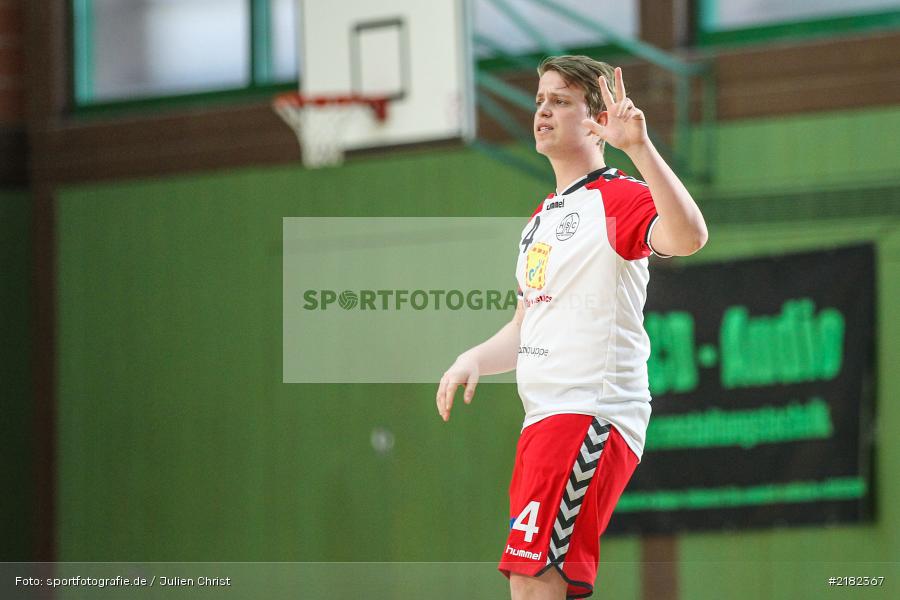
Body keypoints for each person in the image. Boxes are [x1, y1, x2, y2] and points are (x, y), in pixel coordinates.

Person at [435, 55, 707, 599]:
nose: (543, 111)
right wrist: (474, 358)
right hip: (541, 422)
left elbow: (690, 236)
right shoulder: (540, 219)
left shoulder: (619, 196)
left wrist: (640, 148)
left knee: (534, 581)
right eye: (540, 100)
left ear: (597, 120)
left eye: (560, 101)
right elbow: (525, 325)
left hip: (588, 413)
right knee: (532, 584)